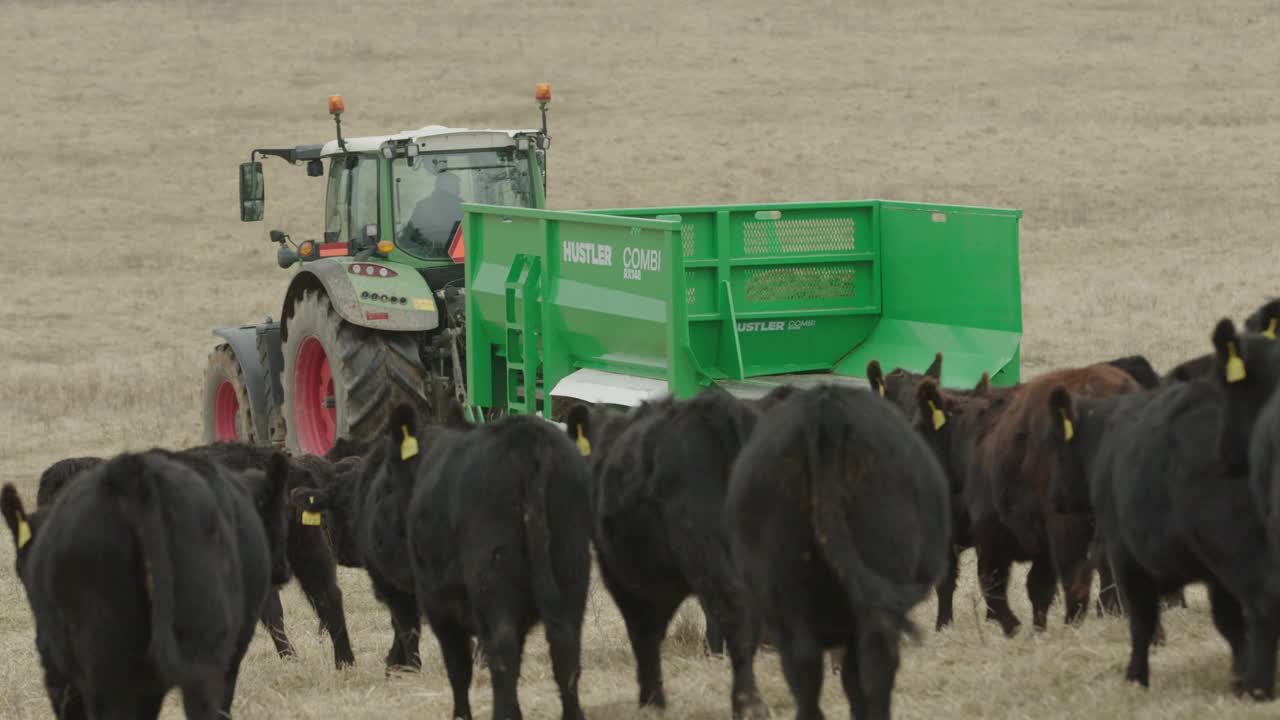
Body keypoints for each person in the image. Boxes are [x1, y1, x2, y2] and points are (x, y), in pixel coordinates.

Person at [403, 172, 463, 256]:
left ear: (437, 186)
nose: (459, 189)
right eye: (456, 185)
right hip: (458, 256)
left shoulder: (423, 205)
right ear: (450, 187)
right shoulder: (463, 206)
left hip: (427, 254)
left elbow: (410, 232)